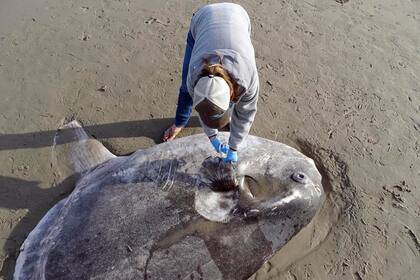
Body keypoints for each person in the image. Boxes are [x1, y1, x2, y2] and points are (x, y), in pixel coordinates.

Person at [163, 3, 259, 163]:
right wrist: (213, 137)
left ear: (231, 93)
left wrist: (234, 147)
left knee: (236, 111)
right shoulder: (193, 77)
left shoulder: (247, 79)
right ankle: (180, 122)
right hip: (203, 19)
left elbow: (245, 115)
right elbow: (204, 108)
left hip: (238, 16)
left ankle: (224, 115)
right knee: (185, 90)